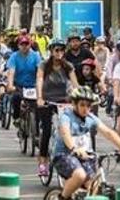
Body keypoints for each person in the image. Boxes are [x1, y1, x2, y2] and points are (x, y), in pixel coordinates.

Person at [51, 86, 120, 200]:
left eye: (88, 106)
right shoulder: (66, 117)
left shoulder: (90, 118)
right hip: (64, 155)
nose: (86, 109)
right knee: (80, 175)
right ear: (74, 104)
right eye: (82, 105)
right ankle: (62, 197)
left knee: (94, 186)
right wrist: (74, 149)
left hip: (86, 155)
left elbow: (108, 132)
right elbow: (65, 133)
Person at [35, 40, 79, 175]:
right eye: (56, 50)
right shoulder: (44, 65)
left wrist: (78, 98)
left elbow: (75, 84)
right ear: (51, 51)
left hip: (64, 100)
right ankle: (43, 162)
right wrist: (40, 98)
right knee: (47, 130)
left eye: (61, 50)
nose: (59, 53)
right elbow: (39, 80)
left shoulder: (68, 66)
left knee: (69, 129)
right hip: (47, 100)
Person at [6, 35, 42, 122]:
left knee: (38, 104)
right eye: (22, 44)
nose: (24, 46)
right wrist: (10, 85)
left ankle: (36, 125)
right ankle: (17, 118)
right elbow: (11, 72)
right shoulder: (14, 56)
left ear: (30, 45)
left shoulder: (36, 56)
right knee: (16, 98)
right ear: (18, 45)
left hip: (33, 85)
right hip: (19, 85)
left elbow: (40, 72)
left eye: (26, 44)